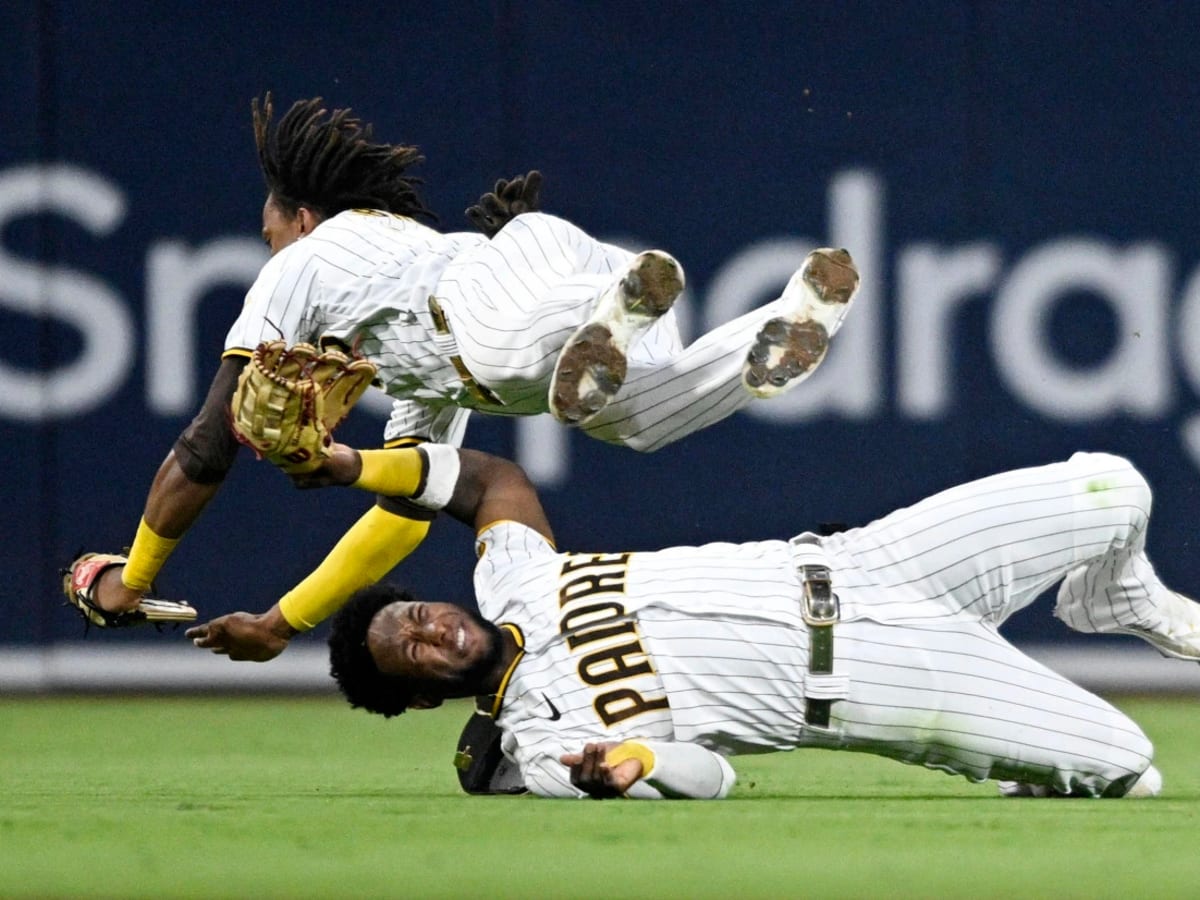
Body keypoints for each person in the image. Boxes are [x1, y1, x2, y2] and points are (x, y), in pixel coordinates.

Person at [72, 93, 860, 661]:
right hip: (552, 279)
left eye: (269, 231)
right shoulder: (387, 318)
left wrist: (134, 580)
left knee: (501, 353)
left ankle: (614, 312)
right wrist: (283, 622)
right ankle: (771, 326)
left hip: (507, 298)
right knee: (637, 421)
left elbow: (206, 444)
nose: (270, 247)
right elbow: (409, 506)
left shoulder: (309, 260)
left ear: (301, 219)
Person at [307, 438, 1200, 799]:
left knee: (1113, 485)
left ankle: (1115, 598)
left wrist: (355, 464)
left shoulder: (515, 579)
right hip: (873, 688)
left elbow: (493, 482)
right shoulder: (544, 739)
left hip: (869, 562)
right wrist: (635, 765)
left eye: (416, 615)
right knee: (1131, 770)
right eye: (412, 654)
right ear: (423, 697)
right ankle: (1021, 762)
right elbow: (712, 779)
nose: (430, 633)